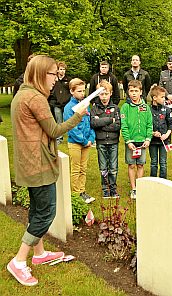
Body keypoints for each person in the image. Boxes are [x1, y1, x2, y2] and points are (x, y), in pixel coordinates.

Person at [8, 55, 89, 286]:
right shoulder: (35, 98)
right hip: (39, 165)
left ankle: (40, 253)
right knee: (45, 214)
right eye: (53, 74)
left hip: (29, 163)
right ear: (41, 73)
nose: (56, 78)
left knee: (36, 210)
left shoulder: (22, 94)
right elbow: (54, 130)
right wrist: (78, 115)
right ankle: (19, 261)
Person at [64, 78, 96, 204]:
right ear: (72, 91)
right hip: (75, 143)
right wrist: (83, 141)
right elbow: (72, 127)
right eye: (79, 91)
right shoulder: (69, 108)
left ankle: (82, 191)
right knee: (76, 168)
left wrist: (91, 138)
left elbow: (90, 123)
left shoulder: (85, 104)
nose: (82, 93)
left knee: (83, 168)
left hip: (87, 142)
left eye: (83, 91)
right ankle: (75, 193)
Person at [120, 80, 153, 199]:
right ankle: (133, 188)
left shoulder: (146, 107)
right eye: (131, 91)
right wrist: (128, 141)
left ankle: (140, 187)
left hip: (143, 142)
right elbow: (123, 125)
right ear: (128, 92)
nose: (133, 93)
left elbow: (150, 124)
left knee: (140, 165)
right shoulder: (125, 107)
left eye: (136, 91)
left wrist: (148, 139)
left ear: (141, 92)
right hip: (131, 143)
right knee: (131, 165)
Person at [90, 80, 121, 198]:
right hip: (101, 142)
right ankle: (105, 189)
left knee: (113, 168)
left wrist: (101, 123)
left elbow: (117, 125)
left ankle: (113, 189)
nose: (104, 96)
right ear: (98, 94)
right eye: (101, 94)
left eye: (106, 94)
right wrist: (109, 120)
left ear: (111, 93)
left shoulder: (116, 108)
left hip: (113, 142)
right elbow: (93, 123)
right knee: (103, 167)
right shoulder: (94, 108)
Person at [149, 85, 172, 178]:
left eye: (164, 97)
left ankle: (163, 181)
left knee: (163, 162)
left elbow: (171, 124)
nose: (164, 99)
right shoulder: (148, 110)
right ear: (154, 98)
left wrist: (167, 134)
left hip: (164, 141)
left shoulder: (167, 109)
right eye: (162, 97)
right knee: (154, 162)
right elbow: (145, 126)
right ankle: (153, 181)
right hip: (152, 141)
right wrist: (152, 133)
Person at [48, 61, 71, 144]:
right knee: (58, 121)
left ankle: (71, 137)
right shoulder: (54, 80)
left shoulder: (68, 80)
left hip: (67, 104)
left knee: (69, 121)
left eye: (63, 69)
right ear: (57, 70)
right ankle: (59, 138)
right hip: (57, 104)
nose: (62, 71)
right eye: (60, 69)